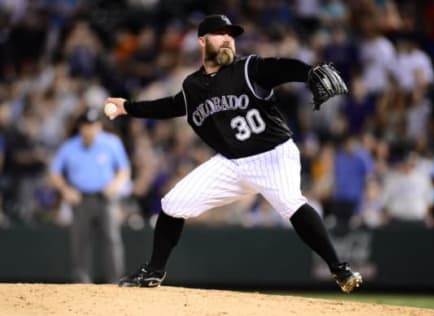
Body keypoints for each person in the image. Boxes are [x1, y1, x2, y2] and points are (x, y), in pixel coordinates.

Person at [104, 15, 362, 293]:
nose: (228, 38)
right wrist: (127, 107)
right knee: (172, 204)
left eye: (231, 34)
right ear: (202, 41)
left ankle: (340, 269)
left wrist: (307, 72)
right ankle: (153, 271)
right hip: (232, 164)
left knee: (290, 202)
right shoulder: (193, 87)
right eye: (219, 34)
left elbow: (279, 68)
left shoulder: (248, 69)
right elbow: (168, 107)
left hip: (273, 155)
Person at [49, 108, 130, 283]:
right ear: (80, 127)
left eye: (93, 125)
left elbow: (124, 169)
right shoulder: (69, 147)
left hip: (105, 198)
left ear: (99, 127)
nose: (90, 129)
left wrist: (115, 185)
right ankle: (81, 282)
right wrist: (66, 190)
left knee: (112, 239)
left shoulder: (111, 143)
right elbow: (54, 174)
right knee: (80, 242)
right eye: (86, 126)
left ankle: (115, 281)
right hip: (80, 198)